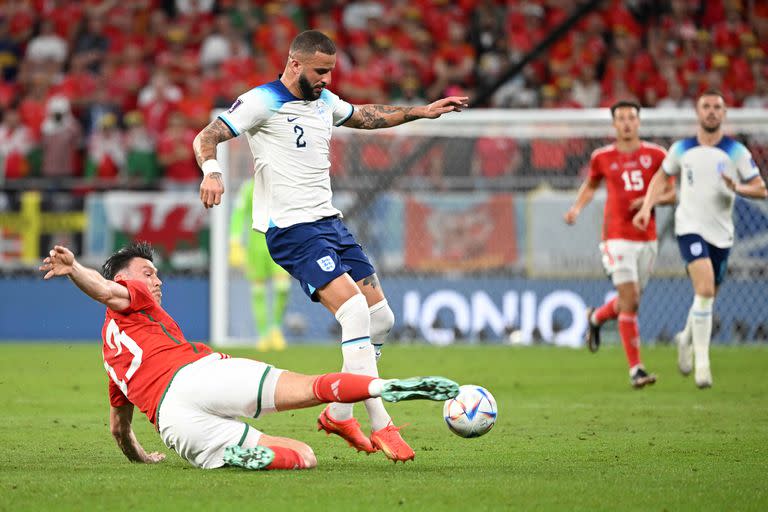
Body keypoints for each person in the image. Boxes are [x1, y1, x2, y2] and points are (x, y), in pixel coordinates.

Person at [193, 29, 467, 462]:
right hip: (292, 231)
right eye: (320, 71)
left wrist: (421, 112)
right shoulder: (262, 100)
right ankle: (383, 424)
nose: (326, 79)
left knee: (382, 319)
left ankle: (340, 411)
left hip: (329, 223)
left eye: (331, 71)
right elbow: (205, 136)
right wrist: (212, 171)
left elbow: (365, 116)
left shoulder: (324, 101)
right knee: (354, 309)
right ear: (295, 63)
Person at [38, 242, 459, 470]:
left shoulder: (112, 355)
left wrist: (145, 458)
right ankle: (380, 388)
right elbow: (104, 289)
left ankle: (234, 453)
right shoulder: (135, 296)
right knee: (311, 388)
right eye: (148, 272)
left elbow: (119, 429)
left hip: (174, 425)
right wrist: (76, 269)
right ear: (127, 279)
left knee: (303, 458)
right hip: (199, 375)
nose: (157, 280)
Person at [633, 90, 767, 389]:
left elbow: (761, 188)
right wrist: (646, 206)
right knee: (704, 287)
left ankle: (685, 338)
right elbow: (660, 178)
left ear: (724, 113)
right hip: (689, 227)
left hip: (722, 233)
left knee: (707, 296)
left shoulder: (737, 152)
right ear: (697, 112)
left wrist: (738, 189)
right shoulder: (682, 149)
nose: (711, 112)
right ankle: (702, 364)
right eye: (706, 106)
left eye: (717, 107)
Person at [564, 100, 676, 388]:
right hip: (615, 238)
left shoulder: (656, 155)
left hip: (647, 238)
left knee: (629, 301)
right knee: (631, 300)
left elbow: (673, 194)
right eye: (621, 118)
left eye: (631, 118)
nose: (627, 123)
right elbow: (590, 186)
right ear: (614, 124)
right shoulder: (601, 157)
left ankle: (597, 317)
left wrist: (648, 201)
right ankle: (636, 369)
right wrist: (576, 209)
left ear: (639, 122)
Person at [230, 178, 291, 351]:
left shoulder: (282, 183)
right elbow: (238, 214)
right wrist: (234, 243)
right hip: (255, 247)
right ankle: (263, 334)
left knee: (282, 287)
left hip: (280, 244)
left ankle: (276, 329)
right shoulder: (248, 187)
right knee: (258, 290)